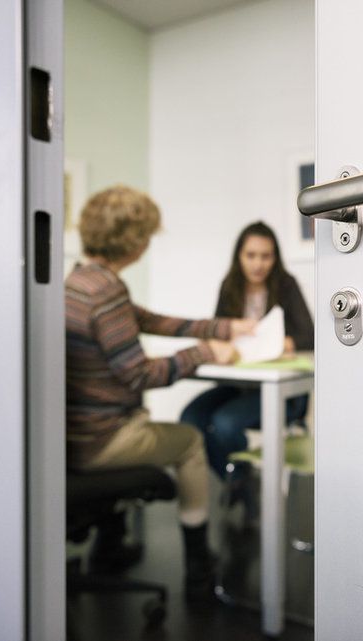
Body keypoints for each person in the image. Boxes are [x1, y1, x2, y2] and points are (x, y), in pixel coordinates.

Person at [65, 185, 255, 601]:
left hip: (73, 437)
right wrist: (206, 352)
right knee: (189, 441)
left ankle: (109, 546)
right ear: (133, 241)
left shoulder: (79, 282)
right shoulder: (106, 292)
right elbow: (140, 376)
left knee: (152, 423)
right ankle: (199, 567)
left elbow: (152, 321)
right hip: (101, 442)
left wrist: (224, 328)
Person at [180, 221, 314, 479]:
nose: (258, 264)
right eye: (251, 255)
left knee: (224, 423)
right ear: (239, 256)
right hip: (237, 385)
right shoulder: (230, 286)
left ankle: (242, 485)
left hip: (280, 393)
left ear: (275, 258)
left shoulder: (286, 285)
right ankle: (236, 478)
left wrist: (276, 343)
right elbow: (217, 332)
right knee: (190, 419)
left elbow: (309, 336)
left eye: (266, 256)